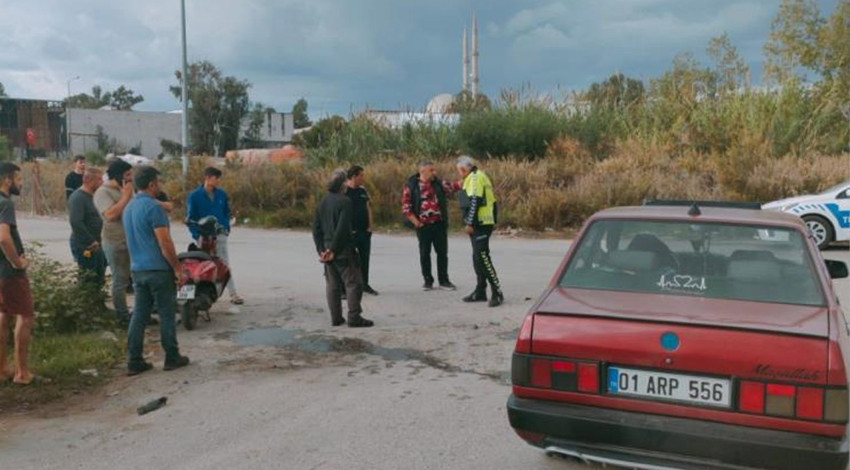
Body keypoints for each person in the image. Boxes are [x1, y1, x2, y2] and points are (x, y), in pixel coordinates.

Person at [123, 166, 189, 375]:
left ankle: (134, 360)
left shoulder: (128, 208)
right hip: (158, 270)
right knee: (166, 313)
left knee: (139, 315)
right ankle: (171, 356)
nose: (159, 186)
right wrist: (178, 268)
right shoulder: (153, 208)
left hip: (137, 269)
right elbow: (165, 242)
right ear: (151, 184)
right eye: (157, 183)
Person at [313, 170, 374, 328]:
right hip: (342, 249)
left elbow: (316, 229)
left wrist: (322, 250)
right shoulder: (345, 201)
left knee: (333, 285)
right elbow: (342, 228)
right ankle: (354, 316)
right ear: (342, 185)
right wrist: (333, 249)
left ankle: (336, 317)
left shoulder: (323, 201)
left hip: (327, 249)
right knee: (354, 283)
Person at [0, 163, 37, 385]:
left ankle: (2, 368)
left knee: (3, 316)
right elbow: (4, 237)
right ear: (7, 180)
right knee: (25, 315)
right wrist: (17, 262)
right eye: (19, 179)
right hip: (9, 273)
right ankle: (22, 373)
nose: (21, 183)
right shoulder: (5, 204)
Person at [186, 167, 243, 304]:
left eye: (218, 178)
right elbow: (190, 217)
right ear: (208, 177)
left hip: (220, 234)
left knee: (223, 263)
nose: (218, 181)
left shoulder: (222, 195)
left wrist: (226, 228)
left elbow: (226, 213)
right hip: (203, 236)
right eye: (216, 178)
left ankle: (233, 293)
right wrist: (196, 234)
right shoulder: (194, 196)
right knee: (201, 263)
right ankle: (198, 293)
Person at [401, 160, 460, 290]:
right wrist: (417, 223)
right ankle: (428, 281)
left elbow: (453, 186)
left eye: (434, 170)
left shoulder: (438, 183)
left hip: (439, 224)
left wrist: (467, 178)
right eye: (431, 170)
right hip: (423, 226)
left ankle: (444, 280)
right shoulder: (411, 186)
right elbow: (406, 208)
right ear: (422, 171)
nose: (435, 172)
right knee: (424, 253)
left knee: (442, 253)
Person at [456, 156, 504, 307]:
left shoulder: (476, 178)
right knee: (477, 257)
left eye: (459, 171)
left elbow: (475, 201)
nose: (459, 174)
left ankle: (497, 292)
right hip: (482, 222)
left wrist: (470, 223)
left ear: (463, 169)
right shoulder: (475, 177)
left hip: (480, 223)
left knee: (483, 257)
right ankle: (480, 291)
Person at [94, 159, 135, 324]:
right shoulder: (102, 192)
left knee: (137, 278)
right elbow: (110, 215)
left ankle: (140, 314)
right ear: (118, 175)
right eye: (127, 175)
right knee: (120, 280)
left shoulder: (125, 189)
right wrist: (125, 197)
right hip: (115, 241)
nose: (130, 178)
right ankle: (122, 315)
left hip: (131, 240)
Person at [68, 167, 106, 286]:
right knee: (88, 277)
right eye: (99, 180)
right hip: (86, 245)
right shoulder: (78, 198)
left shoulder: (95, 197)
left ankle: (97, 302)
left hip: (98, 243)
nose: (102, 183)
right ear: (89, 181)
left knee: (99, 275)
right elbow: (76, 222)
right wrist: (90, 241)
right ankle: (86, 302)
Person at [346, 165, 378, 295]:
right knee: (348, 261)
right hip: (349, 233)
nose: (363, 178)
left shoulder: (362, 191)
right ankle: (346, 288)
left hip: (364, 232)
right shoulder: (344, 191)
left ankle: (365, 284)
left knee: (365, 259)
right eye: (361, 175)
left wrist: (370, 226)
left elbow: (368, 207)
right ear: (354, 176)